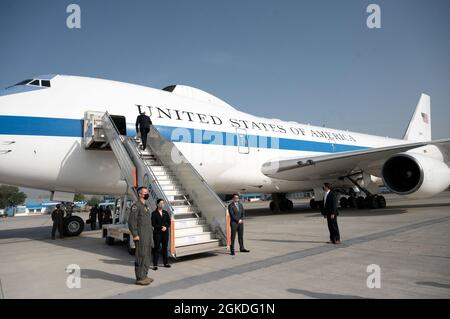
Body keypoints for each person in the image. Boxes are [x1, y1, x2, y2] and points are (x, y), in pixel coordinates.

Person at [128, 186, 155, 285]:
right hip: (141, 235)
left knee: (147, 255)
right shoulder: (136, 206)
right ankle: (139, 278)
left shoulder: (146, 206)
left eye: (147, 192)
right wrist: (135, 234)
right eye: (145, 193)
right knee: (141, 255)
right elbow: (131, 222)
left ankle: (144, 275)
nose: (147, 194)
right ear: (140, 194)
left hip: (148, 235)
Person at [151, 199, 171, 270]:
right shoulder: (154, 213)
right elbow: (153, 223)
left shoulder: (165, 212)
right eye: (161, 203)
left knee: (165, 248)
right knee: (157, 248)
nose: (162, 204)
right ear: (157, 204)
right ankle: (155, 265)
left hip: (165, 233)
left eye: (163, 203)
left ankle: (166, 263)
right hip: (157, 233)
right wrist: (161, 227)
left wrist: (166, 227)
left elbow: (169, 222)